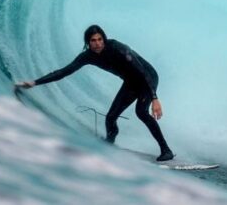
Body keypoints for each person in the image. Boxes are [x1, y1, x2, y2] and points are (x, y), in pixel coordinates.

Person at [15, 24, 174, 161]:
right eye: (93, 41)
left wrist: (154, 98)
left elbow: (141, 71)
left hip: (147, 77)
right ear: (88, 42)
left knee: (141, 111)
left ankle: (166, 150)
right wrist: (34, 82)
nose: (97, 44)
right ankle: (109, 143)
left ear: (104, 39)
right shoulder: (88, 56)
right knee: (111, 117)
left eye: (100, 39)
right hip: (131, 82)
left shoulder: (118, 49)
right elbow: (64, 72)